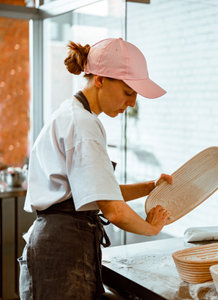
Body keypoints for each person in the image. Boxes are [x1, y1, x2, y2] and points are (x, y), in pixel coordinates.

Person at [18, 37, 172, 299]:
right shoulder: (83, 124)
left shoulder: (74, 114)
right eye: (128, 92)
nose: (132, 103)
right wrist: (151, 228)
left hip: (63, 244)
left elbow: (98, 192)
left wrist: (150, 188)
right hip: (61, 250)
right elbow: (114, 211)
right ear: (100, 79)